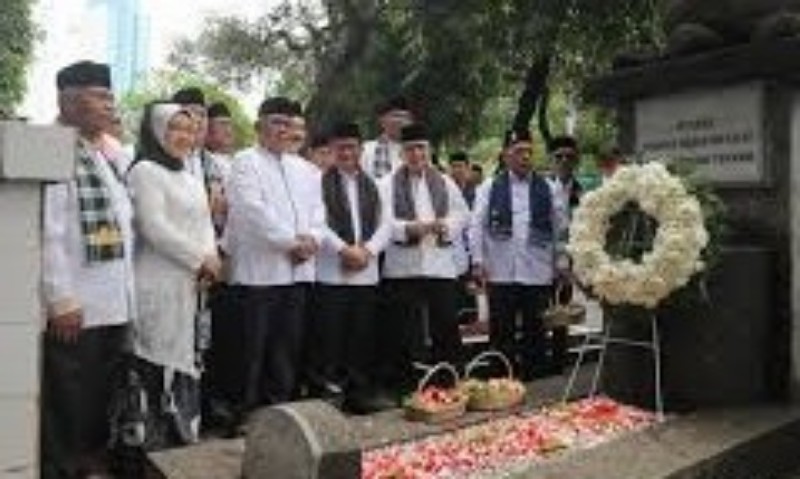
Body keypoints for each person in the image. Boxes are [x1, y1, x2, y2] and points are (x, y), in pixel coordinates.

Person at [41, 60, 134, 478]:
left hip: (112, 299)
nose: (110, 107)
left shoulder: (103, 154)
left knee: (100, 394)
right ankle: (64, 469)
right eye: (102, 97)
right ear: (70, 101)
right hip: (75, 303)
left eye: (110, 97)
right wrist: (60, 298)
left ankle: (92, 464)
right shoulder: (51, 148)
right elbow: (48, 231)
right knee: (68, 398)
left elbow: (122, 225)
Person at [126, 102, 220, 448]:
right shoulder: (144, 171)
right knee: (153, 359)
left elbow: (205, 224)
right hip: (157, 283)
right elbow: (154, 228)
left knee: (186, 359)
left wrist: (210, 256)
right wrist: (201, 259)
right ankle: (147, 447)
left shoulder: (192, 179)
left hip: (192, 286)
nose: (184, 136)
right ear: (155, 131)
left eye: (189, 129)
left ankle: (182, 439)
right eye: (174, 128)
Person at [225, 96, 325, 411]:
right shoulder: (244, 161)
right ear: (258, 127)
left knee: (287, 345)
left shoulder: (306, 169)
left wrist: (312, 239)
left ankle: (280, 408)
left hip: (298, 272)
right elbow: (252, 212)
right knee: (253, 347)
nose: (283, 130)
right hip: (260, 273)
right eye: (276, 123)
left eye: (288, 123)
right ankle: (245, 412)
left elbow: (319, 212)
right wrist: (292, 243)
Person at [307, 121, 394, 413]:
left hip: (366, 273)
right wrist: (344, 249)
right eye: (340, 147)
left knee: (362, 338)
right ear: (331, 150)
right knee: (328, 339)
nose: (346, 152)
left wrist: (367, 251)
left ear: (360, 149)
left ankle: (360, 393)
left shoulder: (374, 184)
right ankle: (329, 395)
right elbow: (316, 223)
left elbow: (386, 224)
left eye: (352, 147)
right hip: (331, 272)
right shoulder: (318, 182)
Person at [379, 123, 469, 392]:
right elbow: (381, 222)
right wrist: (408, 229)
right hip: (402, 268)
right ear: (402, 154)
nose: (416, 154)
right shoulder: (386, 184)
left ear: (428, 150)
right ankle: (406, 388)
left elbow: (462, 214)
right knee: (404, 332)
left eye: (421, 148)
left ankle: (451, 384)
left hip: (439, 265)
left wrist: (447, 226)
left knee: (446, 327)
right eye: (410, 149)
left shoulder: (444, 181)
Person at [469, 128, 564, 379]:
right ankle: (502, 379)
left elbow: (560, 228)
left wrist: (561, 262)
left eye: (529, 152)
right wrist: (477, 261)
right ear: (505, 155)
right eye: (518, 151)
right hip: (501, 271)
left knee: (536, 329)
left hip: (537, 270)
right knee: (502, 330)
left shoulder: (549, 188)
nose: (525, 157)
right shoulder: (490, 187)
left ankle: (536, 381)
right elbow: (476, 224)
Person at [361, 96, 413, 180]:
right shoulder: (367, 150)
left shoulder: (418, 153)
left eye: (405, 117)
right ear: (382, 121)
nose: (401, 121)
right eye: (396, 116)